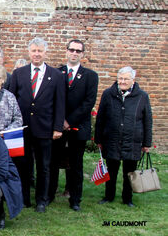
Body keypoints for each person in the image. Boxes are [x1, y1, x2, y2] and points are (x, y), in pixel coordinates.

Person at [10, 37, 65, 212]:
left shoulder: (56, 75)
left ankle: (42, 199)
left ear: (45, 52)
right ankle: (24, 198)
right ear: (29, 52)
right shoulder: (19, 73)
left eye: (40, 51)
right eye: (34, 50)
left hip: (45, 129)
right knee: (23, 165)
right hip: (23, 128)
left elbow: (60, 103)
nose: (36, 54)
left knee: (43, 166)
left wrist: (57, 127)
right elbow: (11, 100)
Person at [48, 39, 98, 211]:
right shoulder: (56, 73)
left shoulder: (90, 76)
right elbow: (51, 99)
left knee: (76, 165)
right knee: (53, 163)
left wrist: (69, 121)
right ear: (66, 51)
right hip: (57, 127)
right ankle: (49, 195)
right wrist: (60, 120)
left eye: (78, 51)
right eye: (72, 50)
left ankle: (75, 199)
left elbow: (88, 102)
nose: (75, 53)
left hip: (78, 128)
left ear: (82, 54)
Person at [95, 66, 152, 207]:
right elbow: (101, 117)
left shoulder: (142, 96)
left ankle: (128, 198)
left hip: (132, 141)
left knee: (129, 172)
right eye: (120, 78)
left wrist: (147, 143)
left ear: (133, 80)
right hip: (112, 139)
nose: (123, 81)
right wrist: (98, 139)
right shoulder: (108, 94)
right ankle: (109, 196)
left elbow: (147, 120)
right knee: (111, 171)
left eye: (126, 78)